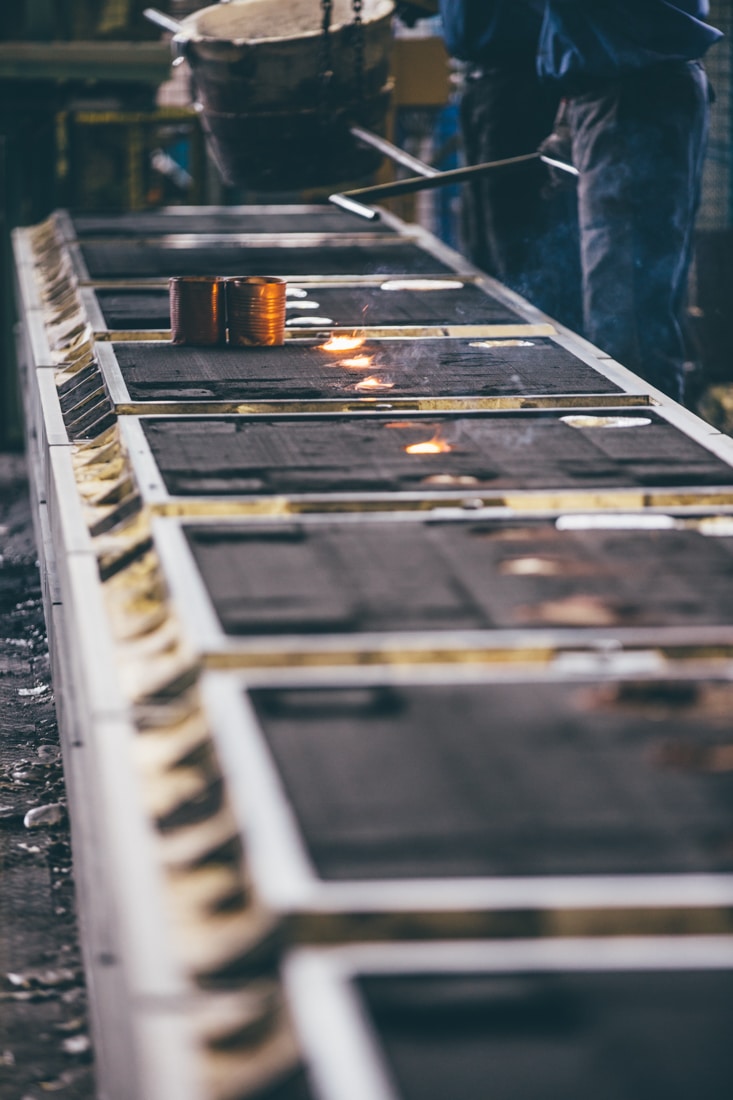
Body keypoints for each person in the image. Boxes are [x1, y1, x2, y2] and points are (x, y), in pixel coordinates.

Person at [536, 0, 723, 403]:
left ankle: (644, 431)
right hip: (614, 85)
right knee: (624, 299)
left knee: (626, 308)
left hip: (634, 91)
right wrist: (569, 114)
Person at [435, 0, 582, 330]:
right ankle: (493, 338)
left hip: (521, 83)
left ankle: (539, 341)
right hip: (479, 82)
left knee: (518, 237)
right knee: (481, 244)